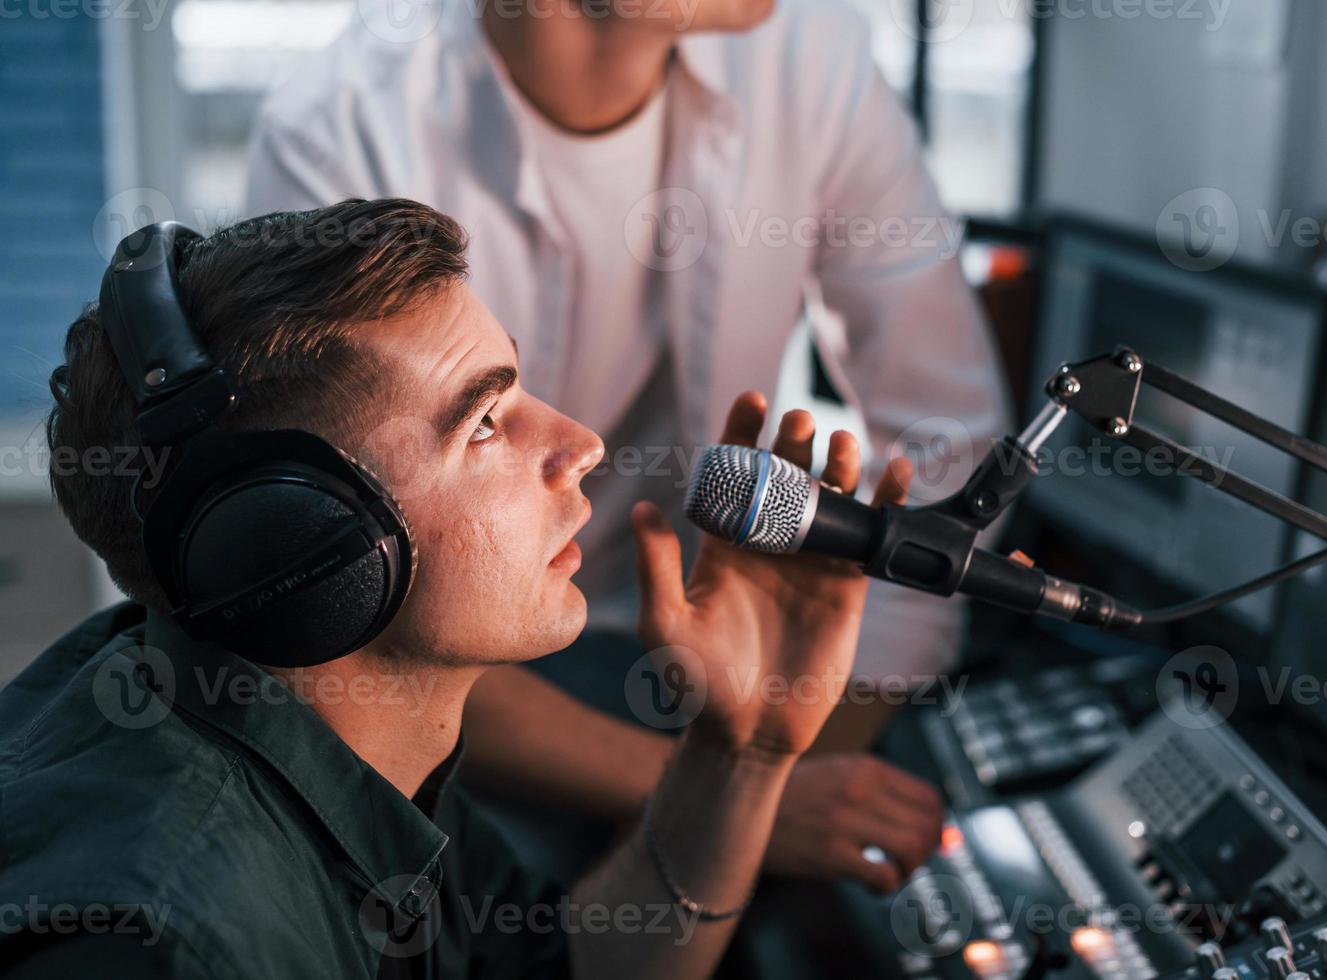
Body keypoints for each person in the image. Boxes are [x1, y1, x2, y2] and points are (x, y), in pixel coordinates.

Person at [0, 199, 916, 977]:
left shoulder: (335, 751)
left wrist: (741, 753)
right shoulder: (163, 942)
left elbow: (568, 968)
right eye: (484, 422)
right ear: (297, 541)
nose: (581, 444)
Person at [245, 0, 1007, 885]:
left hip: (724, 657)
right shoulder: (340, 129)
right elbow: (352, 615)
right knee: (467, 915)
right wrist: (729, 798)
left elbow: (946, 440)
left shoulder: (812, 55)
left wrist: (785, 762)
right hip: (473, 683)